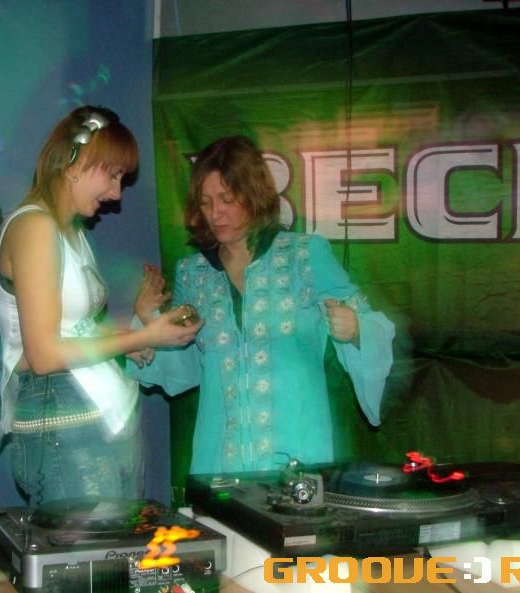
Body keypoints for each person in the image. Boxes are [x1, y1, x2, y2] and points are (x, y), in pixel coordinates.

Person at [128, 135, 395, 475]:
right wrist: (147, 321)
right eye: (206, 203)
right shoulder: (194, 274)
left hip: (298, 450)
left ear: (253, 194)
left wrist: (356, 330)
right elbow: (182, 365)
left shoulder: (304, 256)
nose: (215, 214)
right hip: (221, 460)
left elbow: (371, 323)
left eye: (227, 199)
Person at [0, 106, 201, 505]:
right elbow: (44, 355)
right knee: (95, 547)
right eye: (113, 175)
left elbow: (74, 329)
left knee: (117, 544)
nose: (116, 194)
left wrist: (135, 330)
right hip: (66, 418)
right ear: (75, 164)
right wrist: (142, 337)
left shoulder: (70, 232)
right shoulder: (34, 227)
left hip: (102, 416)